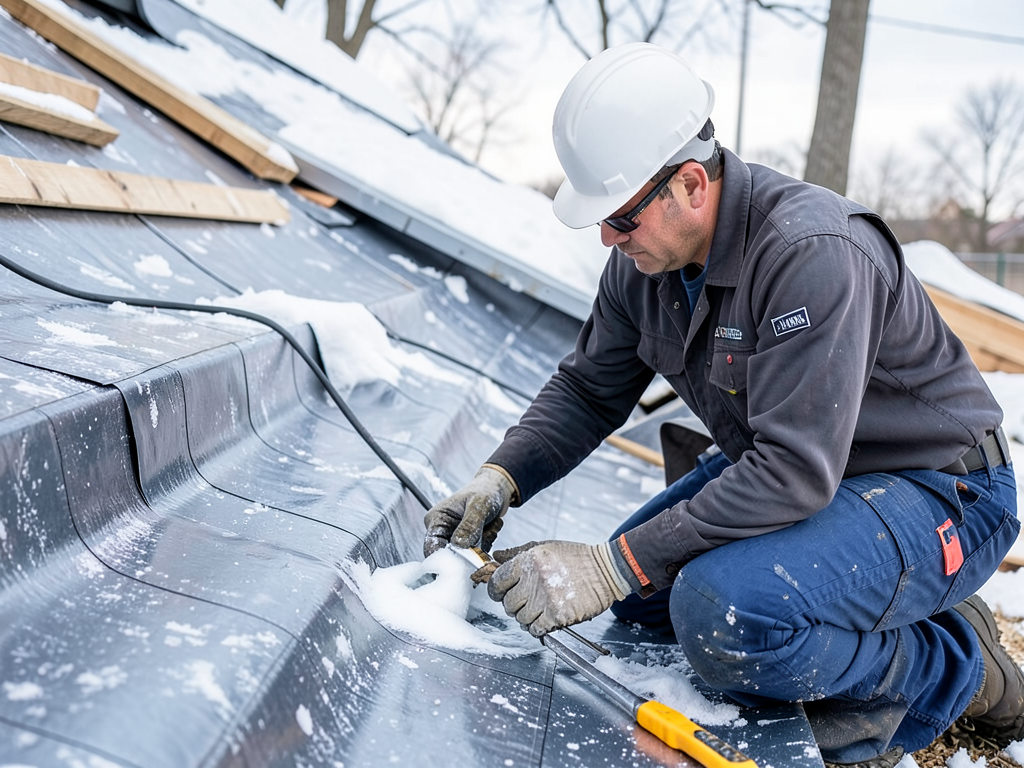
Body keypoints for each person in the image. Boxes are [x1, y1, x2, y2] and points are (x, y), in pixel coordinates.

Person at [422, 42, 1022, 768]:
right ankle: (865, 602)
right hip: (810, 475)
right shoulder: (645, 265)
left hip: (939, 489)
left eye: (620, 218)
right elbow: (588, 388)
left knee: (723, 613)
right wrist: (500, 479)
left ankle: (957, 663)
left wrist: (613, 562)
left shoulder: (812, 252)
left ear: (691, 185)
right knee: (646, 601)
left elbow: (794, 472)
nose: (608, 239)